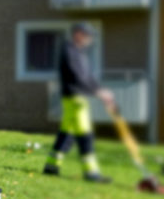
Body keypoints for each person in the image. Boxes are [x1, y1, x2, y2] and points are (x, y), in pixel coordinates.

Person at [43, 22, 114, 183]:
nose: (90, 39)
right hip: (75, 97)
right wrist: (98, 92)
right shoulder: (70, 51)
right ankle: (91, 173)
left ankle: (51, 166)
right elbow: (77, 76)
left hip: (76, 97)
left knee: (67, 133)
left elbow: (88, 77)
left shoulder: (78, 52)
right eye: (88, 35)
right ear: (78, 34)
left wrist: (101, 91)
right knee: (85, 134)